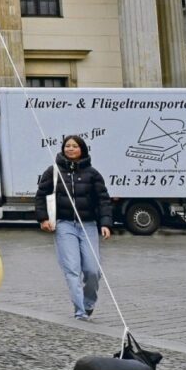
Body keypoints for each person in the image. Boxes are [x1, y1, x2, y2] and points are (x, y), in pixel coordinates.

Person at [35, 134, 113, 320]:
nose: (70, 149)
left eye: (74, 146)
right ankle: (80, 311)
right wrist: (42, 218)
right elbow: (40, 195)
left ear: (82, 149)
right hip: (64, 225)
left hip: (88, 225)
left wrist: (106, 224)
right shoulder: (53, 171)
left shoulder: (93, 173)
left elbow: (104, 200)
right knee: (72, 268)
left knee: (92, 270)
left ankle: (88, 303)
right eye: (67, 146)